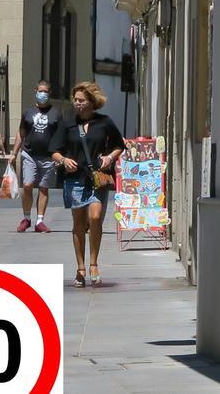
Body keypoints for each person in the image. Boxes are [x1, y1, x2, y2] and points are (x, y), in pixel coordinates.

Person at [50, 81, 125, 288]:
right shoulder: (68, 123)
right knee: (78, 224)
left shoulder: (105, 122)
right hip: (74, 180)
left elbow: (120, 145)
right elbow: (55, 150)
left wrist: (109, 158)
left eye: (81, 100)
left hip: (97, 179)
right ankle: (80, 268)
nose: (77, 103)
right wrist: (63, 160)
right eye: (75, 100)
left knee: (95, 218)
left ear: (92, 102)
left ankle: (94, 264)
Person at [10, 80, 63, 233]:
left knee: (43, 188)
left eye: (45, 91)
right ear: (35, 91)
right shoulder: (28, 113)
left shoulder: (56, 113)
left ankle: (40, 221)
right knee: (27, 185)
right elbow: (21, 134)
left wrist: (60, 156)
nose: (43, 94)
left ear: (50, 93)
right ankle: (26, 218)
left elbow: (60, 136)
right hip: (29, 154)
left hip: (48, 156)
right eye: (40, 91)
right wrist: (14, 153)